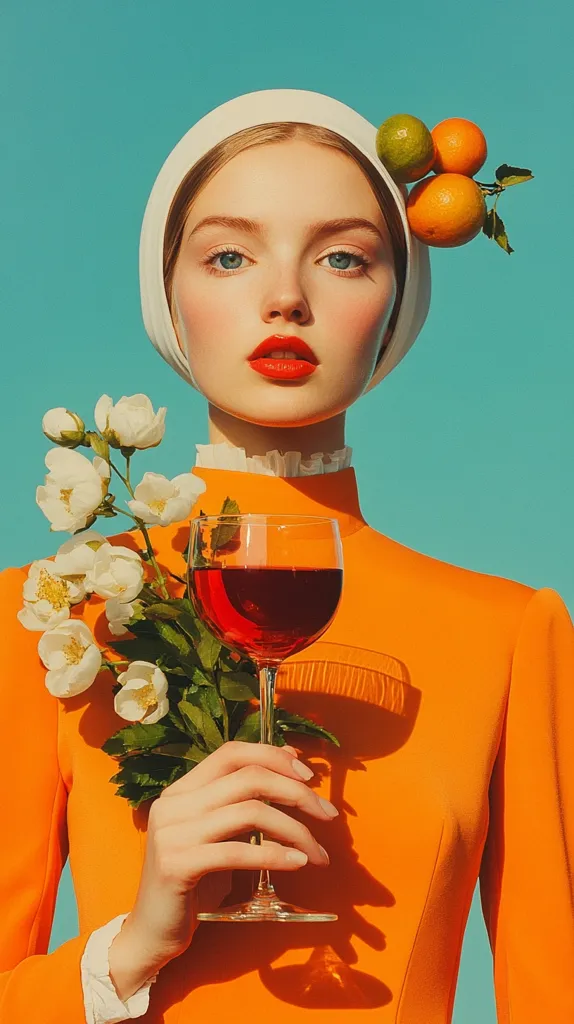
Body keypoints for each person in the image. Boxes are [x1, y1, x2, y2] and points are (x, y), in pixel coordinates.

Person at [0, 88, 572, 1024]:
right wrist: (129, 947)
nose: (285, 297)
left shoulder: (511, 636)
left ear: (396, 308)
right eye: (229, 254)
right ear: (167, 295)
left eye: (344, 257)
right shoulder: (53, 615)